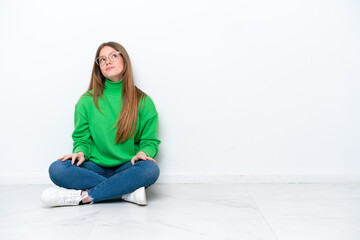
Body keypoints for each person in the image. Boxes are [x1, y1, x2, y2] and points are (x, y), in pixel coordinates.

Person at [41, 42, 161, 207]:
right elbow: (82, 139)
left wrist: (143, 152)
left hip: (128, 166)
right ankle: (126, 191)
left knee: (150, 169)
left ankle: (84, 197)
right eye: (102, 59)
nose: (107, 62)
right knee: (57, 169)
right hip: (94, 166)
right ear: (99, 67)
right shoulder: (86, 101)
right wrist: (80, 152)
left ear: (124, 60)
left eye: (113, 56)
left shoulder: (143, 101)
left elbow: (150, 141)